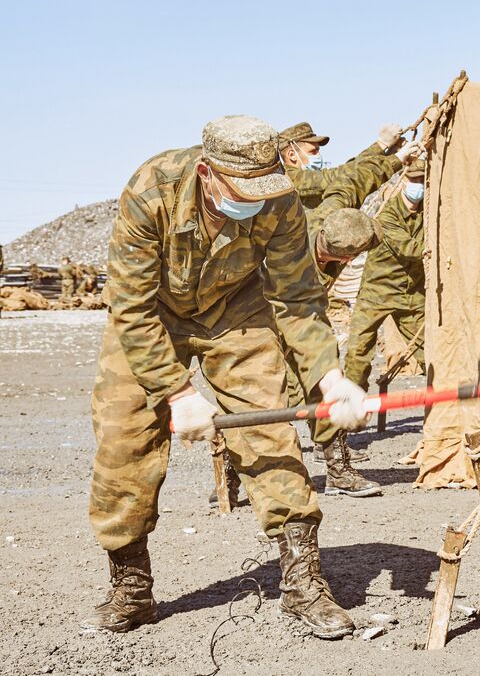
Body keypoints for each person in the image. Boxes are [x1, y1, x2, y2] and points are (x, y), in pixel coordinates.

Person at [86, 115, 368, 639]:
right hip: (153, 316)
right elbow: (130, 306)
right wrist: (176, 391)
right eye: (243, 191)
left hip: (237, 312)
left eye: (264, 190)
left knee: (268, 434)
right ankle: (130, 585)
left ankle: (302, 581)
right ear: (206, 172)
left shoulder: (278, 198)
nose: (255, 201)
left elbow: (299, 298)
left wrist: (330, 376)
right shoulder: (152, 191)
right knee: (123, 441)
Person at [334, 161, 427, 486]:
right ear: (404, 183)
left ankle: (439, 420)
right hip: (377, 291)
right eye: (415, 180)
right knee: (358, 356)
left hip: (412, 294)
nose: (419, 186)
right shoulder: (388, 215)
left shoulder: (430, 210)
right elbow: (410, 247)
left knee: (433, 354)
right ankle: (349, 431)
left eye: (423, 180)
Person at [279, 121, 410, 209]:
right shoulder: (289, 180)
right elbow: (343, 176)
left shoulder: (299, 177)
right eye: (313, 151)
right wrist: (385, 149)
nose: (318, 155)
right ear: (292, 155)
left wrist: (386, 153)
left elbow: (349, 171)